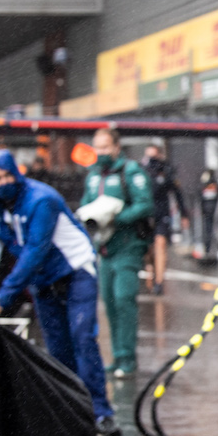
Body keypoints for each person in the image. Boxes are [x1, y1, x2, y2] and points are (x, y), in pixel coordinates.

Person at [0, 150, 120, 436]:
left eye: (6, 176)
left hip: (74, 271)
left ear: (17, 173)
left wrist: (3, 297)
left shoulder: (42, 199)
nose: (2, 183)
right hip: (42, 280)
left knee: (82, 337)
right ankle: (70, 408)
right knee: (57, 347)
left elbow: (34, 251)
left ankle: (101, 412)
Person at [79, 129, 153, 377]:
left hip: (128, 247)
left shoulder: (130, 172)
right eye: (97, 148)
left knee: (124, 300)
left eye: (105, 147)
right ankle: (117, 355)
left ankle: (127, 357)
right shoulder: (92, 176)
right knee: (109, 303)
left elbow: (145, 204)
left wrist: (117, 218)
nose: (101, 153)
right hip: (105, 250)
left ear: (117, 146)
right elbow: (86, 204)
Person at [142, 143, 188, 295]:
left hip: (162, 214)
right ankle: (150, 272)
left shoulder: (166, 172)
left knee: (160, 245)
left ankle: (159, 282)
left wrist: (184, 215)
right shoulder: (141, 172)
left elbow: (178, 194)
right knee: (148, 251)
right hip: (145, 216)